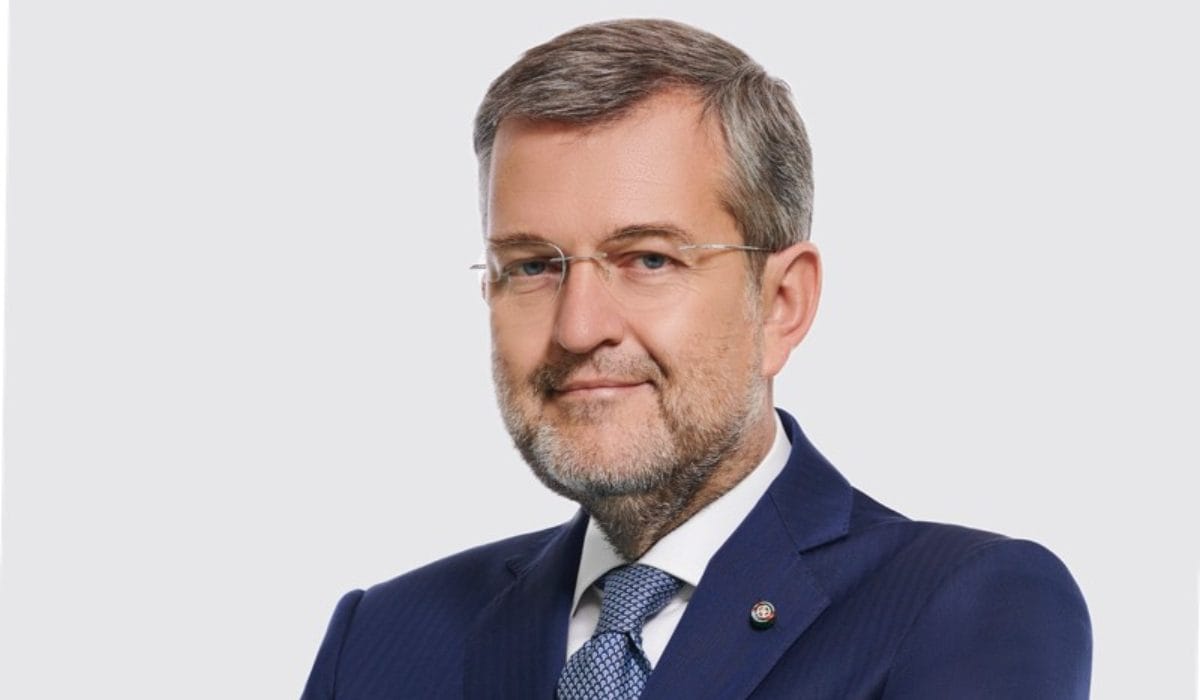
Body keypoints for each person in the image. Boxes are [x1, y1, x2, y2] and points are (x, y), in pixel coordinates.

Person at [301, 18, 1091, 699]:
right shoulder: (381, 641)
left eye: (648, 259)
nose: (579, 328)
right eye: (534, 265)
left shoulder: (964, 604)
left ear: (781, 303)